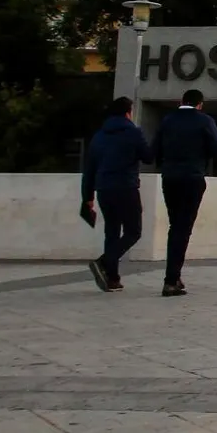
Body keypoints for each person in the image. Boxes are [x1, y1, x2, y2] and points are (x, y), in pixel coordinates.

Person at [152, 88, 217, 296]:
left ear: (180, 101)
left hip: (170, 177)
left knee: (175, 226)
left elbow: (153, 149)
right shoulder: (204, 121)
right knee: (183, 228)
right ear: (200, 104)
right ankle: (171, 279)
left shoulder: (167, 120)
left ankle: (174, 275)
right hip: (192, 177)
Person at [79, 96, 152, 292]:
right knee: (133, 231)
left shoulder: (99, 136)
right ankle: (104, 262)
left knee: (111, 231)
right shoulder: (134, 133)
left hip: (103, 189)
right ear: (128, 112)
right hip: (126, 188)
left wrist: (87, 198)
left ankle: (112, 279)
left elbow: (90, 169)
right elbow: (148, 156)